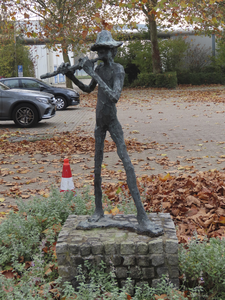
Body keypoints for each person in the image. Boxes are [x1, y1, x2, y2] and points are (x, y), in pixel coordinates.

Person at [58, 30, 163, 236]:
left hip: (112, 122)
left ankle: (142, 216)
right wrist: (70, 74)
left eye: (104, 49)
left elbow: (114, 96)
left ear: (112, 51)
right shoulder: (98, 68)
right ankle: (98, 210)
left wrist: (92, 73)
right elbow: (88, 89)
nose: (101, 53)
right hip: (99, 122)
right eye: (99, 49)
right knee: (97, 166)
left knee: (126, 162)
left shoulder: (118, 70)